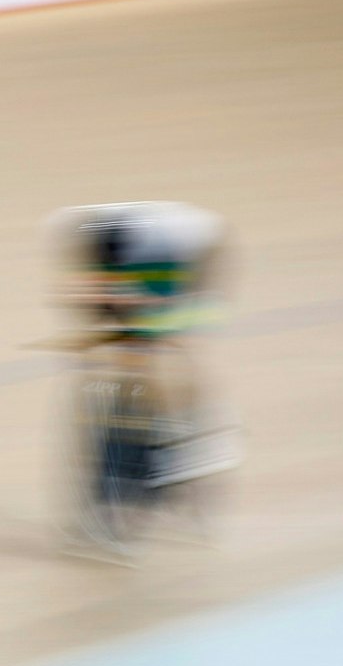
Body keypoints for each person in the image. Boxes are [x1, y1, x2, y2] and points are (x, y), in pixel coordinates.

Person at [49, 200, 238, 485]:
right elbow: (87, 296)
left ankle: (195, 440)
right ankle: (141, 429)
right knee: (131, 336)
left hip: (191, 252)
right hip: (144, 247)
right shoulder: (75, 231)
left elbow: (142, 305)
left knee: (166, 341)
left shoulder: (160, 243)